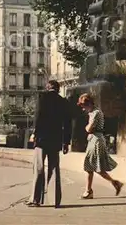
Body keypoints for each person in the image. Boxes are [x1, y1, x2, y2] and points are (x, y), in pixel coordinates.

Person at [25, 80, 72, 208]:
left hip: (42, 138)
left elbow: (38, 116)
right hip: (56, 139)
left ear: (48, 87)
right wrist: (66, 142)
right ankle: (55, 200)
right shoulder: (64, 102)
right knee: (54, 168)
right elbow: (67, 124)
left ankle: (35, 199)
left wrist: (34, 133)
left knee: (39, 168)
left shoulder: (43, 98)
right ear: (58, 88)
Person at [78, 93, 123, 199]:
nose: (83, 109)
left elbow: (89, 129)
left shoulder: (96, 113)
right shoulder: (93, 113)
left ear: (88, 104)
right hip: (94, 140)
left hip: (96, 140)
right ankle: (90, 190)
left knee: (93, 166)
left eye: (83, 106)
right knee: (92, 166)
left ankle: (91, 190)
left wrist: (86, 128)